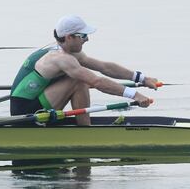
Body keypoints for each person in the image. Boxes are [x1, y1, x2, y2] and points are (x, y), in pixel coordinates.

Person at [10, 15, 157, 126]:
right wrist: (135, 95)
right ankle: (85, 130)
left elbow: (104, 67)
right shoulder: (60, 58)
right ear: (69, 37)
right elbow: (97, 81)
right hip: (25, 113)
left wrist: (142, 78)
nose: (87, 39)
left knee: (80, 80)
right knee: (79, 80)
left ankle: (85, 127)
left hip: (35, 99)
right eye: (83, 36)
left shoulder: (67, 52)